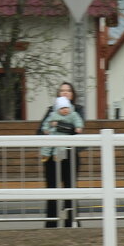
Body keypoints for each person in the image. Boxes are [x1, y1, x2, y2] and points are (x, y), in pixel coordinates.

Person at [38, 83, 85, 228]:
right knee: (51, 188)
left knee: (70, 188)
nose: (65, 93)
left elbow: (76, 129)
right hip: (53, 155)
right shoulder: (51, 111)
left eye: (68, 90)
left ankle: (72, 221)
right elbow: (40, 130)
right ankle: (51, 222)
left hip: (70, 154)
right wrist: (56, 127)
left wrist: (56, 125)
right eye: (62, 91)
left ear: (73, 93)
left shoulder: (78, 110)